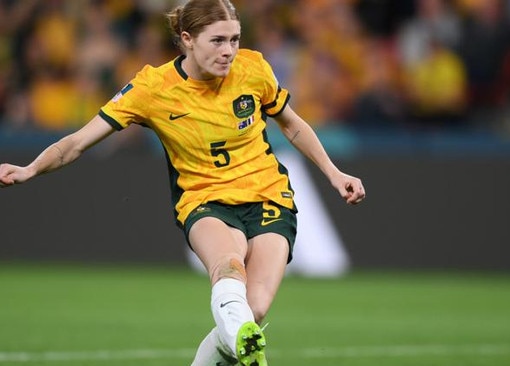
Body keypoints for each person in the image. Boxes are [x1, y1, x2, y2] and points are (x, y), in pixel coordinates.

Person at [0, 1, 366, 365]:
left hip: (270, 196)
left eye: (235, 39)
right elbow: (76, 143)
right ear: (187, 38)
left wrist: (335, 174)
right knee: (228, 266)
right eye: (218, 41)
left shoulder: (253, 68)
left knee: (250, 314)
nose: (228, 52)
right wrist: (30, 168)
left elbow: (293, 125)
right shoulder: (152, 88)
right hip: (205, 202)